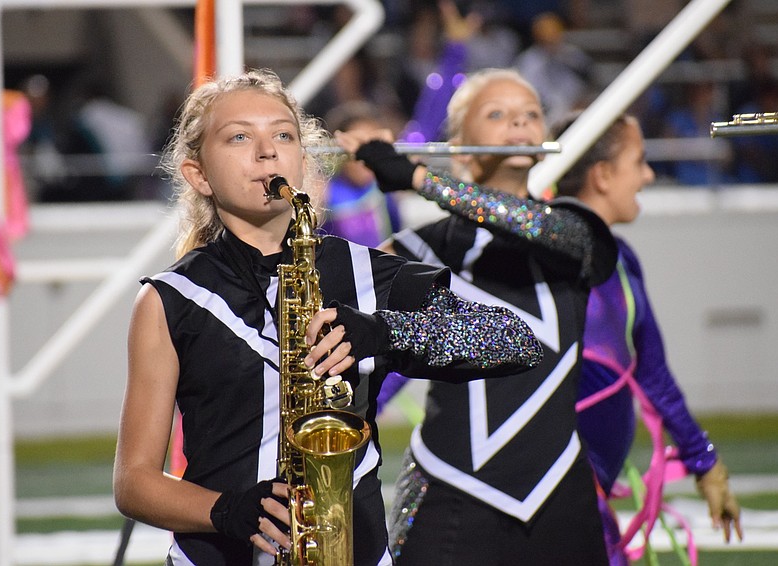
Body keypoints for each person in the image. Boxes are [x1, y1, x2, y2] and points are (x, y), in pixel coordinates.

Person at [112, 68, 544, 566]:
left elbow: (514, 340)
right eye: (238, 137)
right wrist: (227, 511)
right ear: (199, 174)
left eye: (283, 134)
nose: (267, 151)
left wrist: (382, 332)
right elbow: (133, 482)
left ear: (302, 159)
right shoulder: (171, 298)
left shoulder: (365, 271)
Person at [336, 68, 618, 565]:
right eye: (498, 114)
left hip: (559, 486)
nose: (519, 125)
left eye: (532, 115)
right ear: (461, 147)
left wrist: (422, 179)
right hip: (449, 482)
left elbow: (534, 227)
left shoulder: (574, 232)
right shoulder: (416, 250)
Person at [551, 112, 743, 563]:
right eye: (638, 162)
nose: (649, 175)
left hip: (589, 489)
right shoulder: (546, 261)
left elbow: (652, 373)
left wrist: (706, 463)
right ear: (601, 175)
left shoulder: (622, 259)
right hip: (558, 490)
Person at [320, 101, 402, 247]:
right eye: (357, 150)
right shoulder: (324, 196)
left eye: (373, 147)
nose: (366, 159)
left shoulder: (383, 191)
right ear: (339, 152)